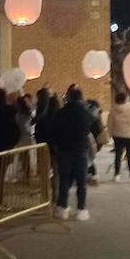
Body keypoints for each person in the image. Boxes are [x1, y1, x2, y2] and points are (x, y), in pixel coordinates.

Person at [51, 87, 95, 221]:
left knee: (64, 180)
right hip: (81, 150)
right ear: (81, 98)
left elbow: (55, 131)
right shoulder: (86, 113)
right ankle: (81, 209)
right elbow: (92, 126)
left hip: (64, 150)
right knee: (81, 181)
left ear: (69, 97)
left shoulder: (61, 113)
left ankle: (62, 208)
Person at [108, 90, 130, 182]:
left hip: (117, 135)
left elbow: (110, 124)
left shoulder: (113, 110)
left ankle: (116, 175)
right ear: (127, 99)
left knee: (118, 155)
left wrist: (111, 134)